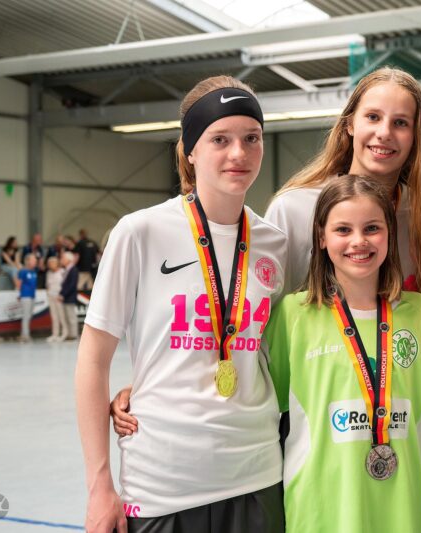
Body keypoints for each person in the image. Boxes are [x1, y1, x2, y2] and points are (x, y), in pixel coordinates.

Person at [75, 75, 287, 533]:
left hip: (257, 472)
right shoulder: (140, 232)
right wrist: (99, 485)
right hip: (162, 480)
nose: (239, 153)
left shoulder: (274, 244)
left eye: (252, 138)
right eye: (220, 139)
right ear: (191, 149)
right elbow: (92, 359)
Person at [263, 68, 421, 522]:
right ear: (349, 122)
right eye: (373, 116)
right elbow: (258, 328)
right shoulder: (295, 209)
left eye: (400, 122)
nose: (384, 133)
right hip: (322, 444)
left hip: (406, 437)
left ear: (415, 136)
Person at [16, 253, 38, 342]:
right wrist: (19, 294)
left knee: (29, 316)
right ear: (28, 261)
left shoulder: (34, 271)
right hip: (25, 296)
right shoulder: (23, 271)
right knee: (26, 316)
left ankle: (23, 334)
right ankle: (26, 336)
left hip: (32, 296)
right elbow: (18, 283)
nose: (35, 262)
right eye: (33, 260)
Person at [46, 256, 68, 342]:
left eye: (52, 263)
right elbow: (47, 284)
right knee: (54, 316)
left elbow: (65, 285)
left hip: (59, 297)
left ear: (57, 263)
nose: (50, 265)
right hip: (51, 296)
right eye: (49, 263)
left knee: (62, 316)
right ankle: (55, 334)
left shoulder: (62, 272)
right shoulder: (48, 273)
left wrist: (62, 295)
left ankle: (64, 334)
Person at [59, 251, 79, 341]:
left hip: (70, 297)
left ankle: (74, 334)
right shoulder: (67, 269)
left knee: (71, 317)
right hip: (67, 297)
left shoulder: (73, 270)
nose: (62, 260)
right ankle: (70, 334)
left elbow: (71, 285)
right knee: (67, 317)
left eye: (63, 258)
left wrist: (63, 294)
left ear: (68, 260)